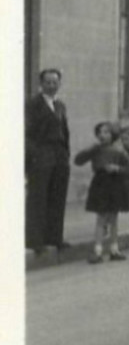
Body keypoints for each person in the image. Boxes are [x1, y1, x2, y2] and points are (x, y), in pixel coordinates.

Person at [25, 68, 71, 255]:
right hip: (41, 155)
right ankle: (34, 240)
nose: (51, 85)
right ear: (41, 84)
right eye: (48, 82)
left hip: (59, 156)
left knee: (57, 196)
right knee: (38, 198)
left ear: (59, 84)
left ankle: (54, 237)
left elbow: (64, 131)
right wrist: (34, 155)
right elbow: (26, 133)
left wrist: (66, 154)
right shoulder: (32, 105)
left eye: (55, 82)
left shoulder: (60, 105)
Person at [74, 122, 129, 264]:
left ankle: (114, 249)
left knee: (113, 218)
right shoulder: (95, 150)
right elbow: (78, 161)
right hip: (101, 182)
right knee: (101, 217)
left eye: (106, 132)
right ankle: (98, 250)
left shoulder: (119, 151)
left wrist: (117, 168)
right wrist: (89, 150)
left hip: (115, 183)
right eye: (100, 132)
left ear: (113, 135)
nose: (102, 135)